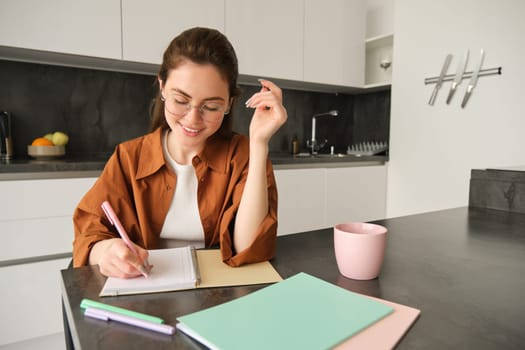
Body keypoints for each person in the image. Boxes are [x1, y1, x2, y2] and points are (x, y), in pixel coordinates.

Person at [72, 27, 287, 278]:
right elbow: (89, 232)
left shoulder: (242, 155)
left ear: (229, 103)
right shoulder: (129, 157)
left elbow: (249, 248)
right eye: (181, 101)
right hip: (145, 293)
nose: (193, 119)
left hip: (218, 296)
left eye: (211, 106)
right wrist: (104, 251)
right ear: (162, 87)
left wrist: (259, 144)